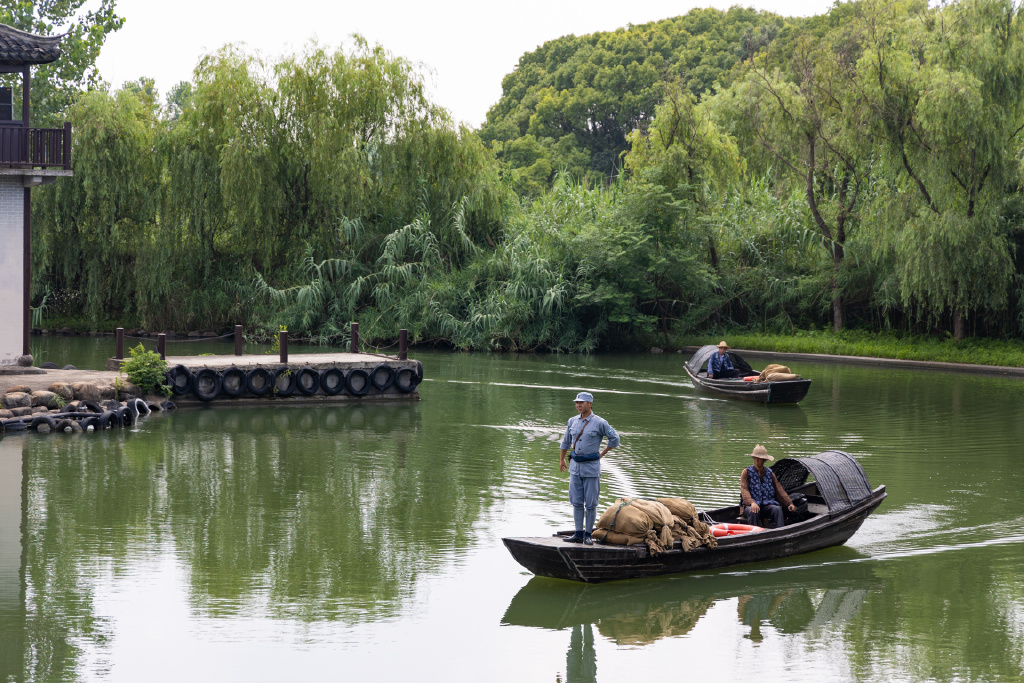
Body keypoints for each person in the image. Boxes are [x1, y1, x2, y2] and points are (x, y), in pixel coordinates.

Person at [559, 391, 619, 545]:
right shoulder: (572, 421)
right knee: (576, 502)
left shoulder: (600, 422)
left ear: (590, 404)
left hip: (591, 469)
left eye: (582, 402)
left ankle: (587, 534)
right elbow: (566, 442)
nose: (578, 405)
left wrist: (602, 454)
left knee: (591, 504)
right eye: (577, 402)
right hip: (575, 467)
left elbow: (615, 439)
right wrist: (562, 460)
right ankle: (578, 534)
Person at [740, 444, 795, 529]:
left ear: (764, 460)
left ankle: (779, 532)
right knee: (753, 511)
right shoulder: (746, 472)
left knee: (777, 509)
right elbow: (744, 489)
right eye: (755, 458)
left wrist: (789, 503)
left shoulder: (770, 474)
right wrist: (752, 502)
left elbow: (779, 490)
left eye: (760, 459)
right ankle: (754, 535)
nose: (757, 461)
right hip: (750, 506)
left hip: (766, 506)